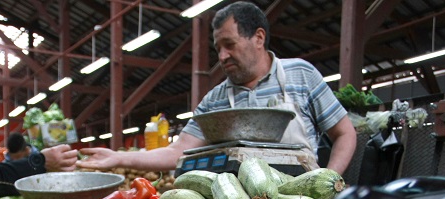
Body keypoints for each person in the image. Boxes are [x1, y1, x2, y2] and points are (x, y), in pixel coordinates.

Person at [77, 1, 357, 175]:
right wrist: (118, 157)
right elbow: (178, 152)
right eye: (217, 48)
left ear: (258, 38)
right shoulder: (216, 99)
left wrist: (329, 179)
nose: (221, 56)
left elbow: (344, 133)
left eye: (229, 45)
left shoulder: (301, 74)